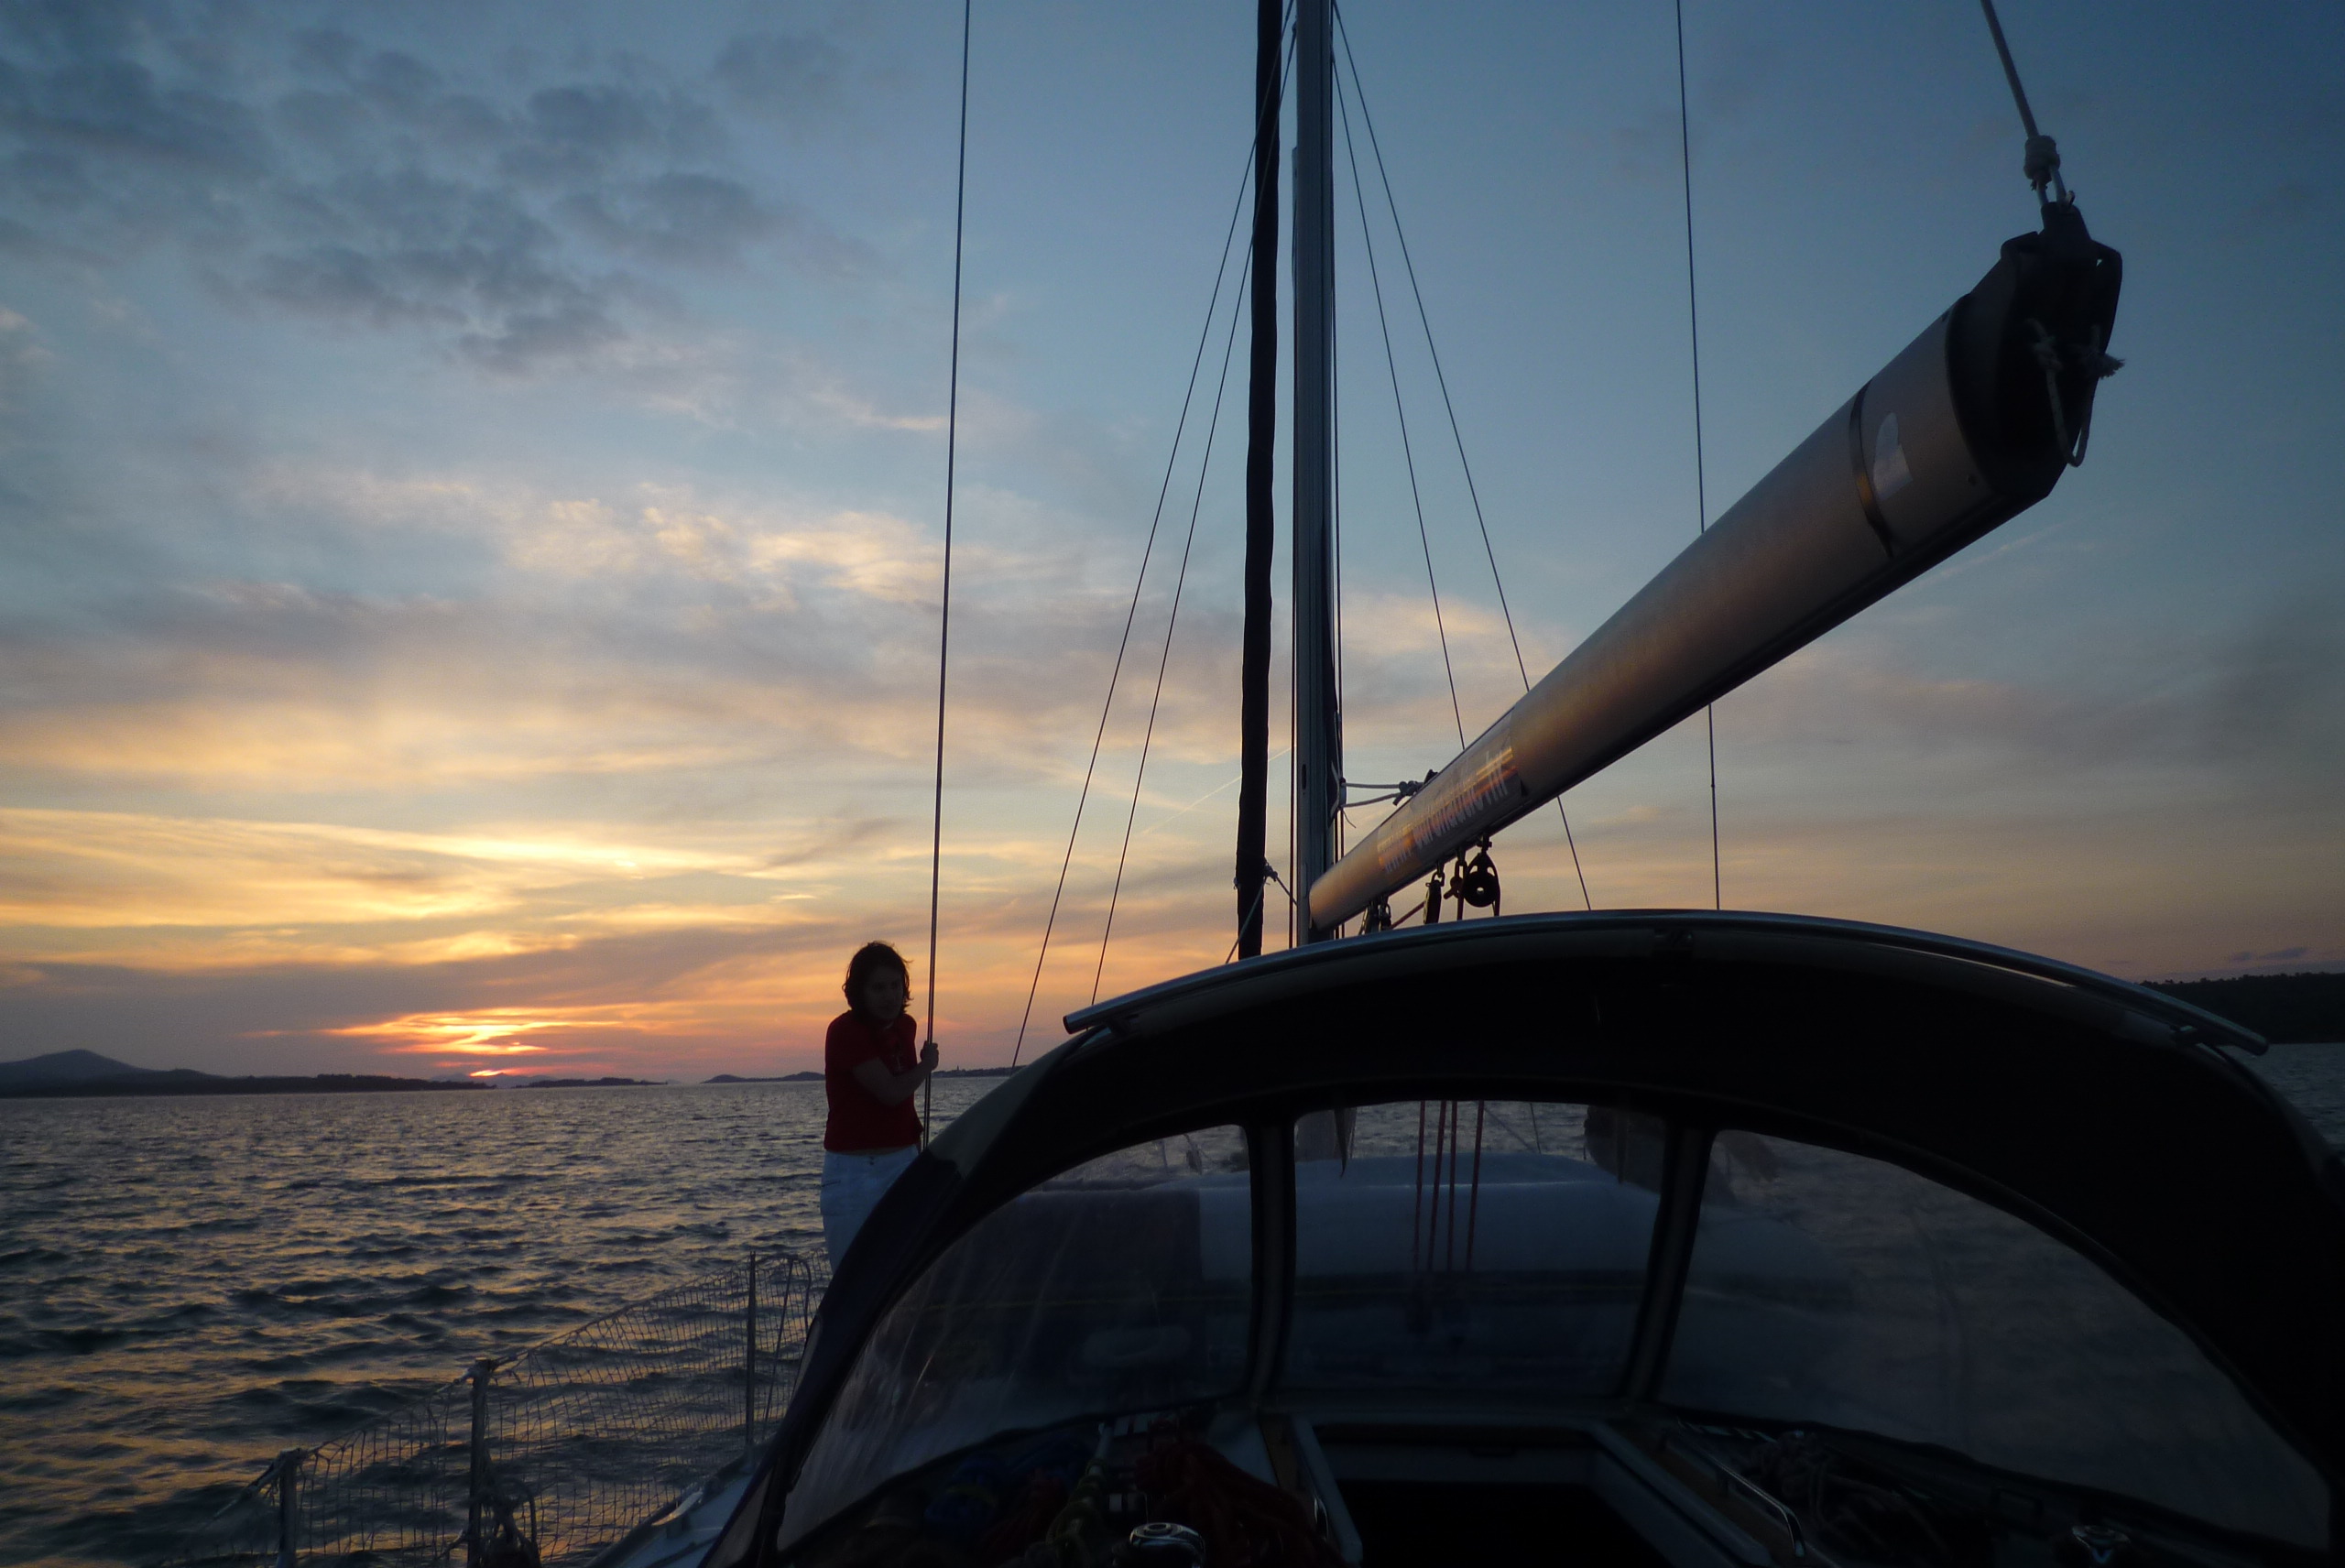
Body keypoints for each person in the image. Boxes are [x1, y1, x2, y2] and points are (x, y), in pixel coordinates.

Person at [819, 941, 939, 1266]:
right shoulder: (845, 1032)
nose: (889, 996)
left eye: (895, 985)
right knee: (852, 1272)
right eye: (878, 988)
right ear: (860, 991)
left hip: (901, 1162)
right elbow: (890, 1092)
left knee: (907, 1268)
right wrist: (927, 1066)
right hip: (853, 1172)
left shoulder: (906, 1027)